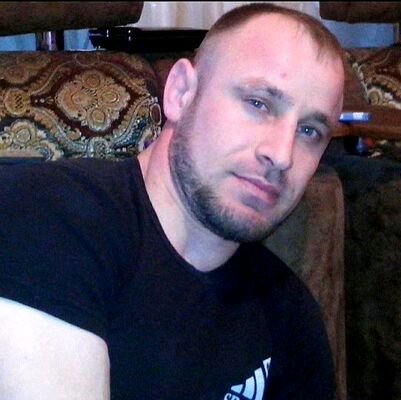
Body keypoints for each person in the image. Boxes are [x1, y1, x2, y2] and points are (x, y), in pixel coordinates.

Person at [0, 3, 344, 399]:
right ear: (181, 92)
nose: (282, 155)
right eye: (258, 104)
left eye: (309, 131)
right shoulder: (48, 217)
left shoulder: (289, 315)